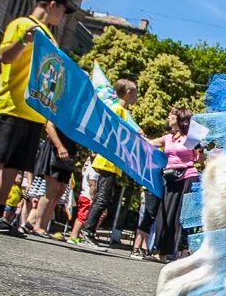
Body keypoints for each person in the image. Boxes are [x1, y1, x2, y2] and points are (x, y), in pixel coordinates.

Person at [0, 0, 75, 234]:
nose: (63, 16)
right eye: (63, 9)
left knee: (14, 166)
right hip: (9, 102)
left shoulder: (50, 37)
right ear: (52, 5)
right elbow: (5, 56)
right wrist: (23, 40)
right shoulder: (21, 24)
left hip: (32, 110)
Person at [77, 78, 137, 249]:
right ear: (128, 93)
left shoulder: (124, 112)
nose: (137, 96)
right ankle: (87, 232)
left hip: (112, 161)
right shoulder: (117, 109)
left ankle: (89, 232)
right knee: (102, 198)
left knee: (104, 197)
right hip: (107, 160)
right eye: (136, 92)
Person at [148, 106, 201, 262]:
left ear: (180, 118)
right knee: (165, 214)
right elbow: (150, 143)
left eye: (172, 115)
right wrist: (135, 134)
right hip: (171, 179)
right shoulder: (167, 138)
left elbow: (200, 159)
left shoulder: (191, 138)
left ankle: (180, 252)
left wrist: (200, 148)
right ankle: (161, 252)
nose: (169, 117)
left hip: (188, 177)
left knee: (181, 216)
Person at [26, 121, 76, 237]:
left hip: (69, 151)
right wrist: (59, 147)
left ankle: (34, 224)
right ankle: (38, 226)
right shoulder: (63, 104)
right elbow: (49, 126)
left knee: (59, 192)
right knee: (51, 191)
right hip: (56, 149)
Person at [68, 158, 98, 244]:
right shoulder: (93, 169)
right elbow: (92, 184)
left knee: (80, 216)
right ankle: (73, 236)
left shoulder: (87, 167)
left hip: (83, 195)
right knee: (82, 217)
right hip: (87, 196)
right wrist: (93, 198)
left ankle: (75, 236)